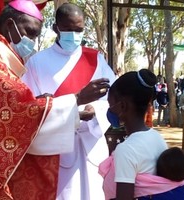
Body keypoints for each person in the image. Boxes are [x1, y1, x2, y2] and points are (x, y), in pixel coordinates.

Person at [0, 1, 110, 199]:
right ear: (10, 25)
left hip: (85, 144)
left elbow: (11, 105)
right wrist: (77, 99)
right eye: (29, 32)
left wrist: (46, 104)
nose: (31, 41)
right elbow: (14, 113)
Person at [22, 3, 116, 200]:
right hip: (58, 149)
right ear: (56, 28)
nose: (74, 34)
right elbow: (30, 108)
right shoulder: (36, 63)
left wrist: (97, 109)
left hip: (92, 142)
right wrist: (72, 113)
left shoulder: (95, 59)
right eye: (68, 29)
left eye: (79, 29)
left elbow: (113, 97)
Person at [98, 69, 184, 200]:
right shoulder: (156, 137)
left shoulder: (126, 150)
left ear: (123, 106)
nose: (110, 110)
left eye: (110, 104)